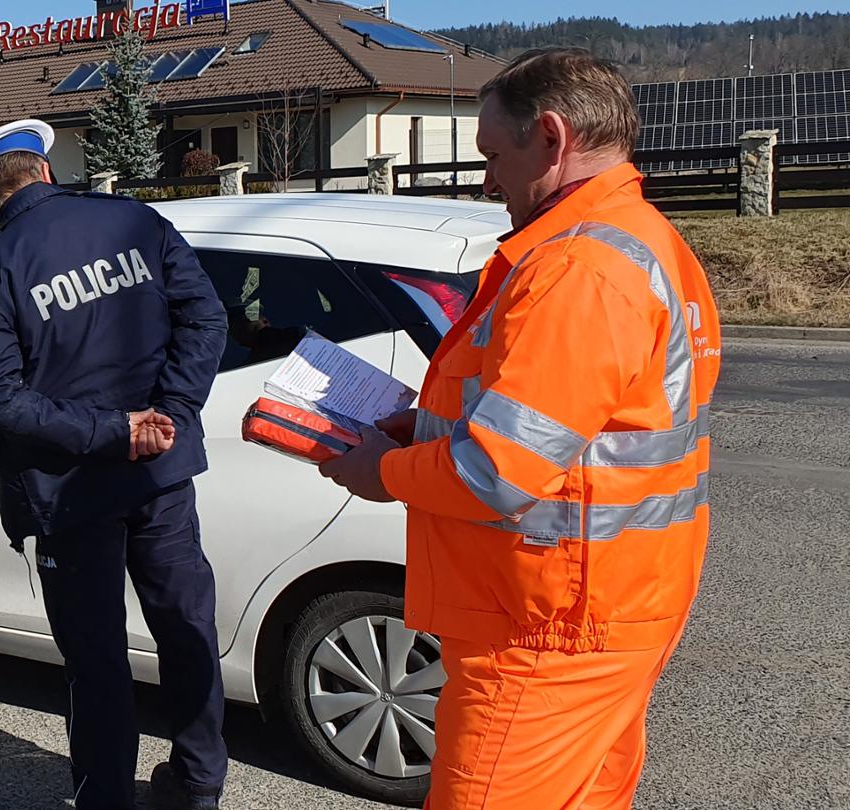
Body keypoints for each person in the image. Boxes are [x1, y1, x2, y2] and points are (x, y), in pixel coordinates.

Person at [317, 48, 722, 810]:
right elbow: (580, 426)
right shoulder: (642, 241)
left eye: (494, 155)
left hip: (546, 625)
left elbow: (497, 472)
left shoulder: (579, 270)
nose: (487, 179)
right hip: (607, 603)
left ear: (552, 137)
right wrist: (420, 426)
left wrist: (383, 473)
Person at [0, 119, 230, 810]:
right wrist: (168, 413)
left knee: (97, 658)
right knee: (186, 626)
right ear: (45, 171)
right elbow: (207, 319)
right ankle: (199, 781)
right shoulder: (134, 219)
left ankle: (105, 798)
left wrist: (114, 431)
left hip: (72, 493)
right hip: (159, 476)